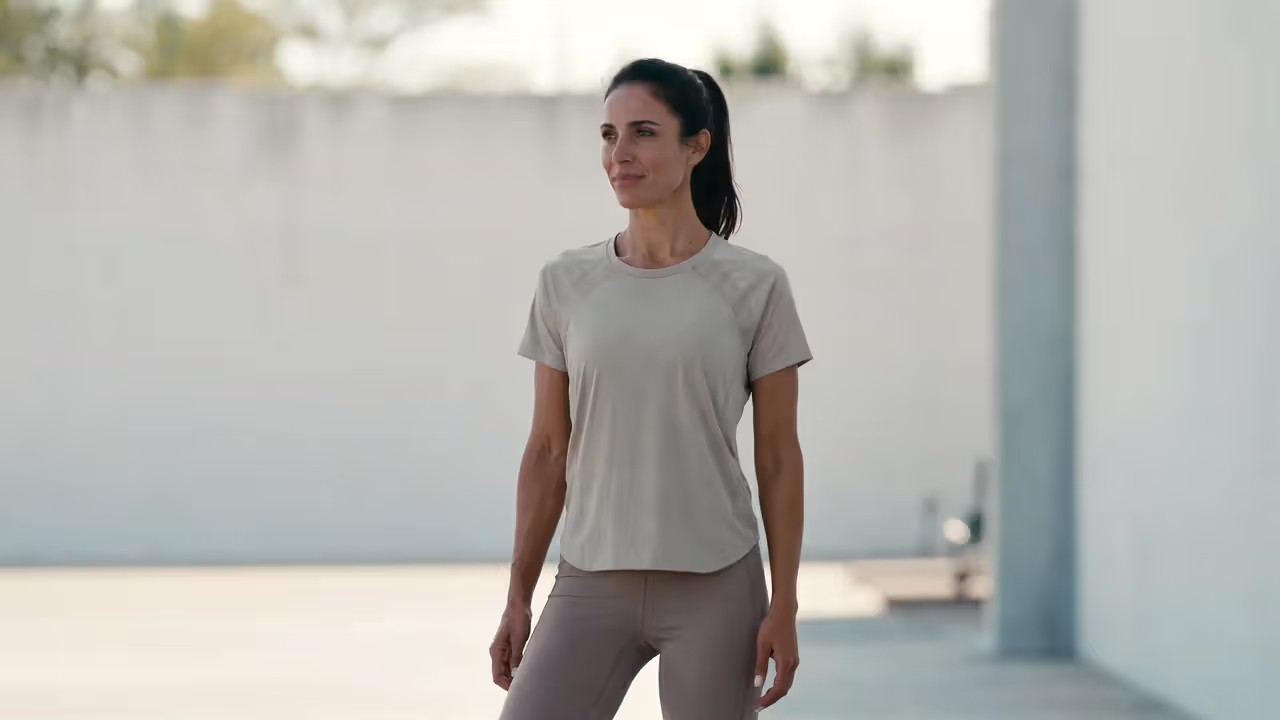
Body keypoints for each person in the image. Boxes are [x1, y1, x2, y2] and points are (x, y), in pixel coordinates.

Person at [489, 58, 813, 720]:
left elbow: (778, 457)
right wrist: (518, 594)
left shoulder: (757, 286)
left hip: (716, 582)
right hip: (591, 577)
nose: (620, 154)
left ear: (697, 146)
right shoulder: (565, 282)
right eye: (608, 135)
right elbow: (549, 449)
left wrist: (784, 602)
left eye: (642, 133)